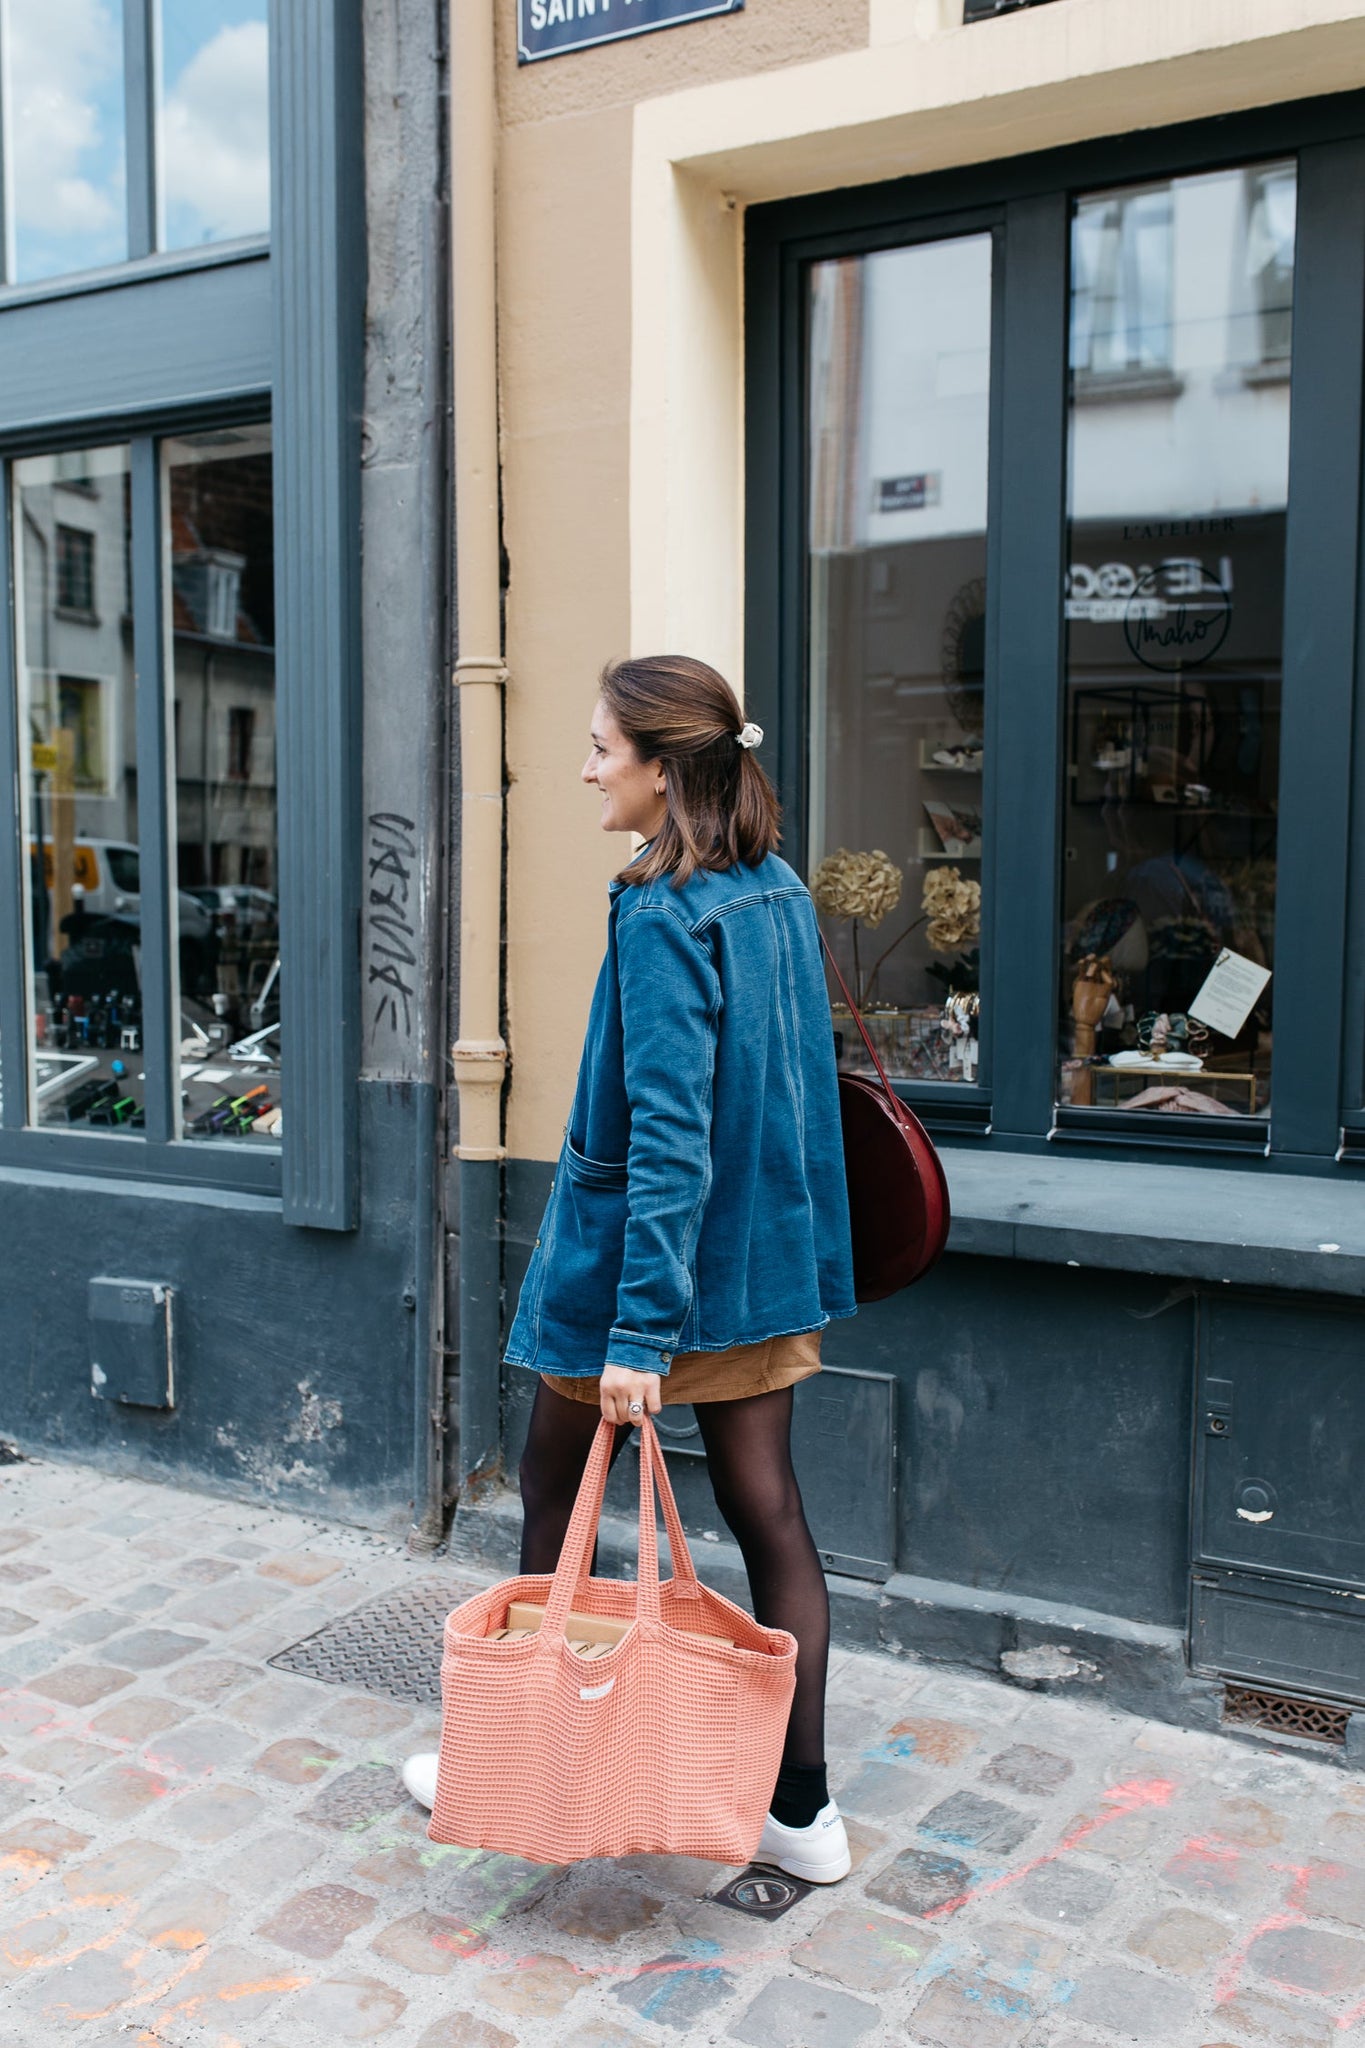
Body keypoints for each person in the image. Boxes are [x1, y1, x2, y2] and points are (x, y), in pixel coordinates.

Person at [403, 654, 857, 1884]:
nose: (587, 766)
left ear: (664, 769)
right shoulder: (773, 893)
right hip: (765, 1267)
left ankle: (522, 1755)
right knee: (772, 1513)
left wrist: (637, 1335)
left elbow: (670, 1137)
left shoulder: (665, 911)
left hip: (642, 1277)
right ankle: (801, 1810)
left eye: (603, 745)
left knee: (556, 1496)